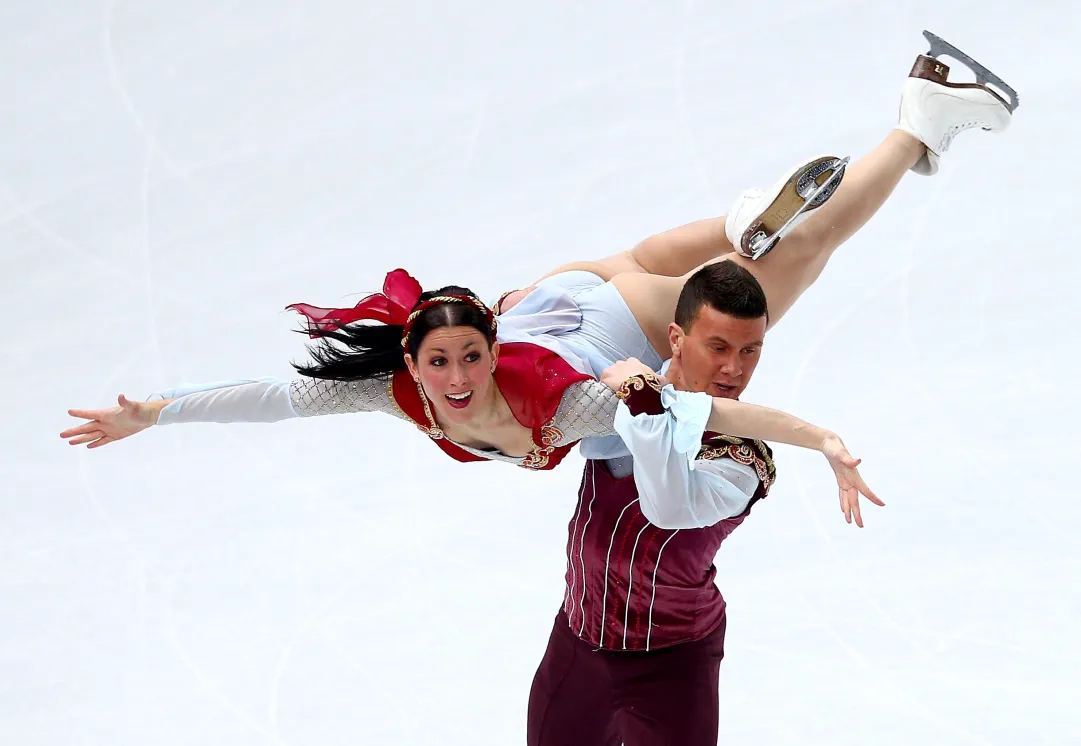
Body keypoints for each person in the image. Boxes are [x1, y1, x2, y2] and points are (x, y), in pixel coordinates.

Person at [60, 37, 1014, 479]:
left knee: (804, 256)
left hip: (626, 315)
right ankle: (734, 225)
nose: (460, 377)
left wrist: (822, 442)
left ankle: (914, 122)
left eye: (469, 358)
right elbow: (277, 398)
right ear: (413, 363)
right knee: (662, 255)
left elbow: (703, 402)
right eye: (443, 362)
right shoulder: (401, 386)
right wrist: (154, 412)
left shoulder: (556, 399)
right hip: (566, 289)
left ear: (485, 348)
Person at [527, 261, 874, 746]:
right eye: (719, 347)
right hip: (577, 643)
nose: (734, 369)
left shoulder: (741, 456)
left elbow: (668, 507)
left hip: (674, 662)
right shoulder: (627, 384)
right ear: (675, 337)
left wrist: (643, 402)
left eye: (750, 351)